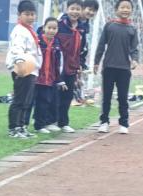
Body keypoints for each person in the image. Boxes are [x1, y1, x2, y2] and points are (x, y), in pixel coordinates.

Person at [94, 0, 139, 134]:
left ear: (131, 10)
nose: (125, 10)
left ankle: (124, 123)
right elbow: (101, 45)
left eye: (128, 8)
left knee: (123, 97)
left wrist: (135, 60)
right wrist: (96, 62)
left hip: (124, 69)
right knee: (106, 96)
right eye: (122, 7)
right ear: (116, 9)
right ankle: (104, 122)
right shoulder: (109, 26)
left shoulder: (132, 29)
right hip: (108, 67)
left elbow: (134, 48)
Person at [6, 0, 42, 139]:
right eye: (27, 14)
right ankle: (13, 128)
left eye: (33, 14)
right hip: (23, 68)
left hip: (31, 69)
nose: (31, 17)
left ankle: (21, 126)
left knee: (26, 100)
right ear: (19, 15)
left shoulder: (29, 30)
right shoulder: (19, 31)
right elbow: (17, 49)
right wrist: (20, 63)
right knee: (19, 99)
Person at [55, 0, 88, 133]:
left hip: (72, 66)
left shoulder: (82, 28)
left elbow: (83, 48)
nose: (75, 12)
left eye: (77, 9)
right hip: (58, 65)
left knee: (68, 95)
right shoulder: (59, 25)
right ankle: (51, 121)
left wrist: (81, 63)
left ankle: (64, 123)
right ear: (67, 9)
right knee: (55, 94)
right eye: (72, 8)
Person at [29, 17, 66, 133]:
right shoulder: (38, 41)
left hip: (49, 78)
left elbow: (57, 63)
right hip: (36, 77)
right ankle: (27, 124)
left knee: (45, 101)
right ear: (44, 28)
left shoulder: (56, 43)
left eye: (54, 28)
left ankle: (40, 124)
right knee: (31, 101)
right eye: (49, 28)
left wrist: (59, 79)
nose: (51, 30)